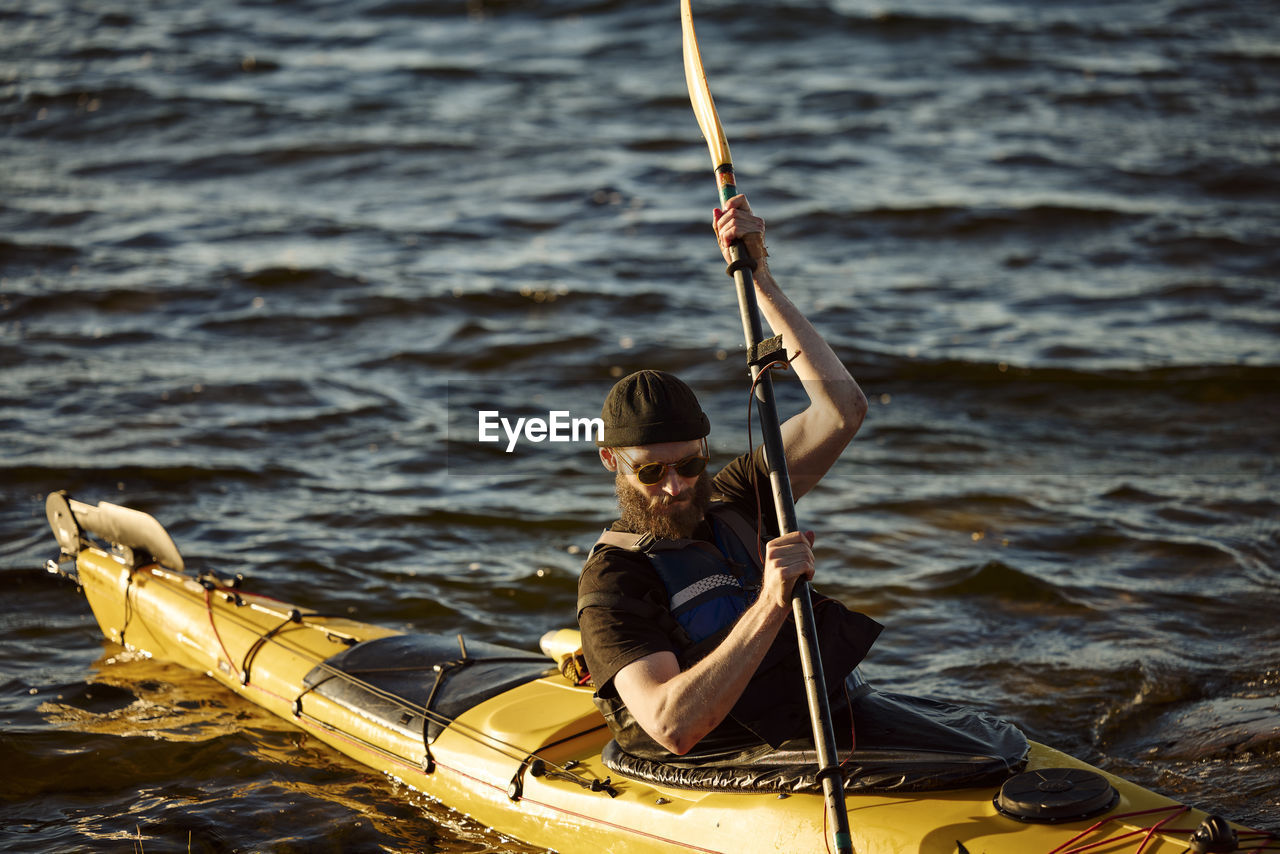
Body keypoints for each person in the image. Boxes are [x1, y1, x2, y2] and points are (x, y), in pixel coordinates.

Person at [576, 195, 883, 762]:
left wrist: (760, 275)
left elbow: (842, 409)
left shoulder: (738, 496)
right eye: (650, 470)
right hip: (727, 756)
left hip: (823, 719)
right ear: (609, 461)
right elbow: (673, 726)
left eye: (691, 463)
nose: (676, 486)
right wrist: (770, 602)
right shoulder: (614, 583)